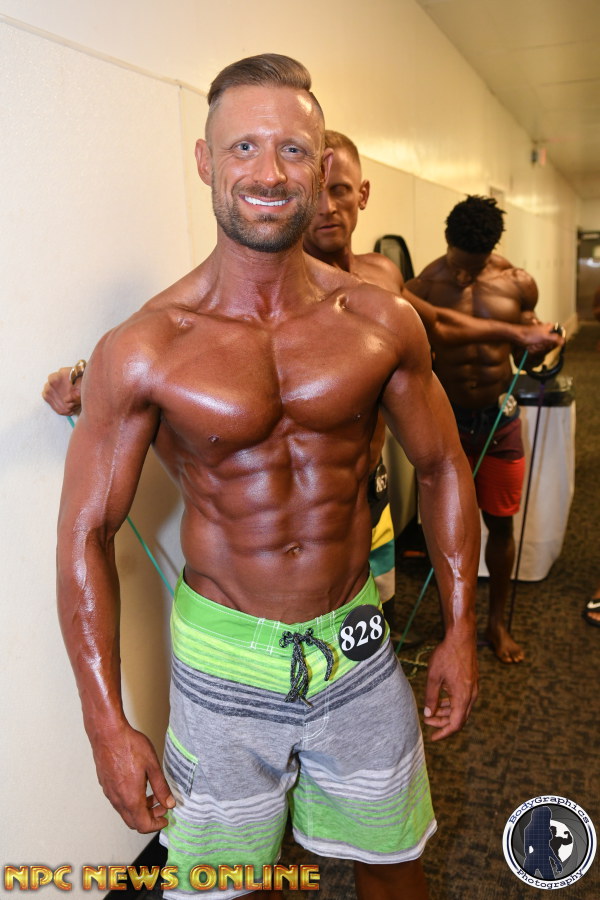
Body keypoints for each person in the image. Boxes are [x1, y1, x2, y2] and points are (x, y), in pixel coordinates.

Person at [51, 53, 482, 900]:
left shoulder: (381, 322)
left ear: (321, 169)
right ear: (205, 161)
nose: (269, 173)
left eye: (292, 149)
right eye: (243, 147)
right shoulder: (145, 347)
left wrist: (461, 628)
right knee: (230, 884)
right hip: (222, 659)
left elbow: (441, 466)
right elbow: (84, 534)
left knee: (395, 861)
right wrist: (106, 724)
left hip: (356, 640)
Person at [404, 195, 547, 664]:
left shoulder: (518, 284)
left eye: (475, 266)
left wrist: (547, 347)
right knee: (445, 530)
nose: (464, 276)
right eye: (457, 264)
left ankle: (496, 623)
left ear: (491, 254)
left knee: (500, 524)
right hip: (446, 422)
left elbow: (531, 355)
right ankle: (454, 626)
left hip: (499, 420)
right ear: (446, 243)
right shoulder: (425, 285)